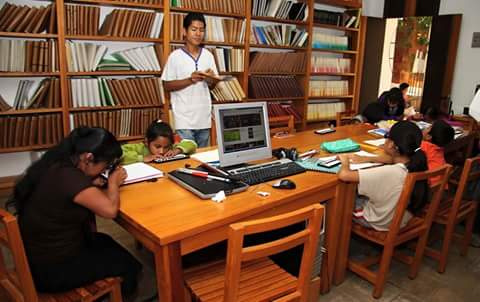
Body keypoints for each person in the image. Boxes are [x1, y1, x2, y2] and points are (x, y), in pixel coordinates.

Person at [8, 127, 142, 296]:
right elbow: (110, 211)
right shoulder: (70, 178)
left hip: (37, 258)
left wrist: (90, 182)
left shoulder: (58, 163)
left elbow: (65, 191)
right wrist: (114, 183)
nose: (104, 170)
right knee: (130, 266)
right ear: (88, 158)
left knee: (106, 241)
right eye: (105, 165)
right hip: (53, 271)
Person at [338, 121, 429, 231]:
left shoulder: (390, 172)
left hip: (379, 221)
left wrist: (345, 161)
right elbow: (392, 159)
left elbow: (344, 175)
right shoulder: (414, 163)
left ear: (391, 144)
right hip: (403, 217)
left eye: (387, 137)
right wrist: (368, 159)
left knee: (343, 197)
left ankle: (335, 241)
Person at [161, 12, 219, 147]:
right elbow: (166, 85)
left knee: (202, 159)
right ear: (184, 32)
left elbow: (212, 86)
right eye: (194, 29)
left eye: (201, 30)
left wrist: (211, 79)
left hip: (204, 117)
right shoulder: (175, 56)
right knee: (187, 156)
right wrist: (190, 80)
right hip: (184, 119)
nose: (198, 33)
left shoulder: (208, 56)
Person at [121, 120, 197, 165]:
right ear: (147, 142)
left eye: (166, 147)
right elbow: (119, 154)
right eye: (157, 147)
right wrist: (142, 158)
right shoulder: (140, 148)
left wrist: (178, 150)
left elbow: (192, 144)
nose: (162, 151)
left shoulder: (172, 148)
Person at [420, 120, 455, 185]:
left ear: (428, 136)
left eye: (428, 128)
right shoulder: (439, 148)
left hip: (427, 185)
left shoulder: (423, 145)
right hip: (438, 186)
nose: (424, 128)